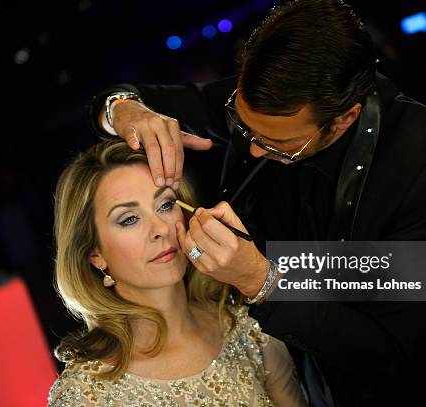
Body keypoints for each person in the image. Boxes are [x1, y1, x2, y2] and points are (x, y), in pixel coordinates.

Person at [85, 0, 426, 406]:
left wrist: (263, 281)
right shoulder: (261, 103)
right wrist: (123, 109)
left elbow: (390, 354)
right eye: (244, 128)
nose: (251, 151)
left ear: (342, 119)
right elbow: (124, 97)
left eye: (278, 145)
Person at [47, 139, 308, 406]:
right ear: (95, 254)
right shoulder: (82, 395)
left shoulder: (250, 330)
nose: (161, 227)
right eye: (129, 219)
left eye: (166, 205)